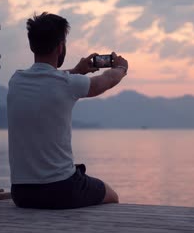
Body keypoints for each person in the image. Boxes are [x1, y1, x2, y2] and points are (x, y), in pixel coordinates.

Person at [7, 12, 128, 209]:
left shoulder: (16, 80)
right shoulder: (67, 84)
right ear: (61, 47)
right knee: (111, 195)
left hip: (21, 194)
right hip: (61, 189)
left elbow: (49, 79)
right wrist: (121, 68)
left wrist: (78, 70)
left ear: (31, 45)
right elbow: (105, 81)